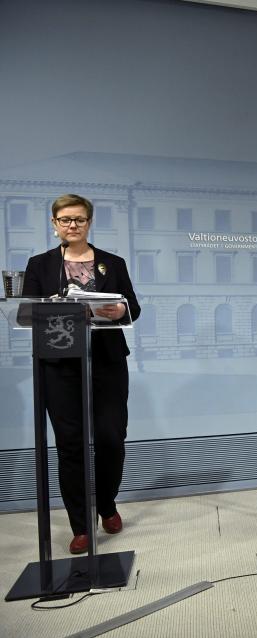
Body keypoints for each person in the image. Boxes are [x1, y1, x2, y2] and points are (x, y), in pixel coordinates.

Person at [22, 194, 140, 554]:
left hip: (105, 361)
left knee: (110, 438)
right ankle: (80, 525)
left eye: (79, 219)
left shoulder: (112, 263)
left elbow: (132, 308)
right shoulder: (40, 265)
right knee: (69, 445)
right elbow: (27, 311)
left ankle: (106, 504)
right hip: (59, 364)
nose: (72, 225)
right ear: (54, 224)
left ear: (89, 222)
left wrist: (112, 310)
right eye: (65, 220)